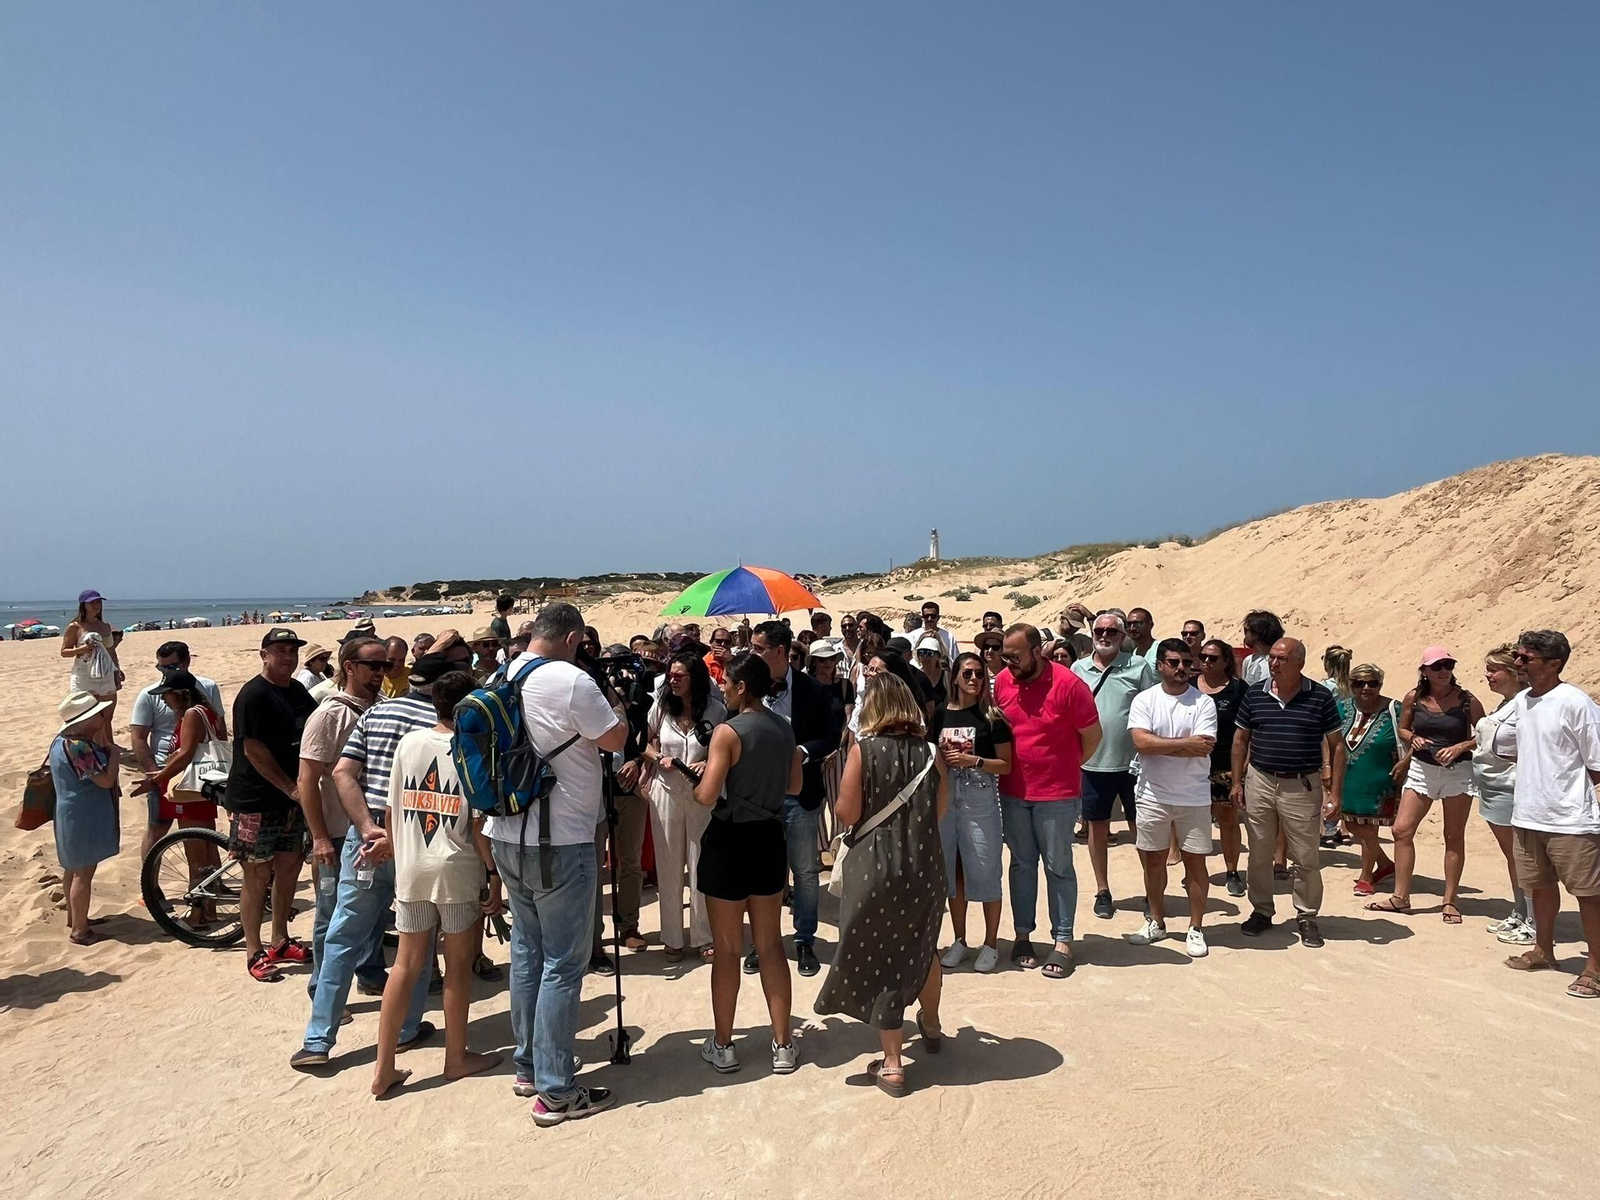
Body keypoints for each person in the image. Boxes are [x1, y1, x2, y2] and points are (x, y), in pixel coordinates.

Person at [485, 604, 626, 1123]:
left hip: (505, 832)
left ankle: (527, 1066)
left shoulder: (503, 671)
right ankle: (556, 1089)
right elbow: (613, 740)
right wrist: (618, 707)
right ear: (571, 637)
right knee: (564, 964)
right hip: (561, 837)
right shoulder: (571, 680)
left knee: (528, 951)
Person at [292, 653, 453, 1067]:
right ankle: (405, 1027)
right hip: (417, 839)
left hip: (367, 839)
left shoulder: (377, 713)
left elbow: (342, 773)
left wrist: (365, 826)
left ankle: (317, 1039)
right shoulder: (442, 724)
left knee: (343, 937)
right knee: (416, 940)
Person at [371, 671, 504, 1097]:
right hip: (457, 868)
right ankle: (456, 1057)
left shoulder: (409, 743)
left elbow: (392, 809)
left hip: (412, 868)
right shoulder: (470, 749)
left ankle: (383, 1066)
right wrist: (494, 874)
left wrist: (398, 850)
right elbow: (479, 825)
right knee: (458, 966)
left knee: (406, 966)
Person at [816, 674, 948, 1094]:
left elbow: (848, 812)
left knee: (883, 954)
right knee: (922, 944)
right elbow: (940, 812)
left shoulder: (865, 751)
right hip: (925, 865)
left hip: (875, 866)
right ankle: (930, 1021)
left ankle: (892, 1063)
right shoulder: (932, 753)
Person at [692, 653, 803, 1075]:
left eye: (726, 683)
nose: (721, 687)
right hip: (769, 838)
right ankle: (783, 1043)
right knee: (771, 944)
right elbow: (794, 784)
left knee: (728, 950)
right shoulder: (783, 728)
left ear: (742, 687)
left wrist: (701, 776)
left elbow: (706, 796)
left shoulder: (727, 731)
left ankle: (723, 1044)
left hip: (730, 839)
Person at [1491, 630, 1600, 997]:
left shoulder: (1575, 702)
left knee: (1588, 893)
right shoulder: (1523, 701)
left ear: (1554, 664)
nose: (1518, 664)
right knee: (1538, 886)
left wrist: (1561, 788)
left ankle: (1595, 968)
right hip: (1527, 813)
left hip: (1570, 818)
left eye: (1526, 658)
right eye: (1518, 657)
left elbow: (1596, 764)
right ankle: (1544, 950)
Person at [994, 623, 1101, 977]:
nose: (1008, 663)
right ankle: (1023, 936)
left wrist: (1066, 768)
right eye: (1005, 657)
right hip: (1013, 792)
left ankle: (1063, 941)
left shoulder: (1069, 684)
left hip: (1056, 794)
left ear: (1037, 650)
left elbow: (1092, 736)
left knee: (1058, 866)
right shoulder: (1003, 683)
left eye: (1015, 656)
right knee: (1021, 865)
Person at [1231, 638, 1345, 948]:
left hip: (1302, 785)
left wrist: (1335, 792)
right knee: (1259, 851)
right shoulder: (1255, 693)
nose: (1274, 663)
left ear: (1299, 663)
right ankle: (1262, 911)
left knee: (1306, 855)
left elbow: (1337, 747)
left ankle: (1307, 915)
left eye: (1282, 658)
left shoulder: (1319, 697)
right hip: (1261, 781)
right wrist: (1237, 782)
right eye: (1272, 658)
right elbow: (1241, 740)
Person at [746, 620, 844, 978]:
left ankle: (804, 939)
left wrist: (802, 751)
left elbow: (831, 736)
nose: (752, 654)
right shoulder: (749, 690)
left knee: (804, 872)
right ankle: (762, 942)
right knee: (762, 873)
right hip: (758, 798)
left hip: (801, 797)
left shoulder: (812, 691)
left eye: (758, 648)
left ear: (781, 652)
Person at [296, 636, 390, 1001]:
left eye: (385, 666)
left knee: (374, 909)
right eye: (373, 666)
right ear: (349, 667)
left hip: (372, 829)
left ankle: (369, 972)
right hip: (336, 830)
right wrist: (318, 837)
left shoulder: (381, 707)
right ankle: (321, 987)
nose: (381, 673)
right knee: (331, 914)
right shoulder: (330, 714)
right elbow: (307, 778)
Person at [1366, 648, 1485, 924]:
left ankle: (1451, 900)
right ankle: (1400, 896)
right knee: (1401, 829)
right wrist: (1413, 738)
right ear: (1425, 671)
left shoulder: (1467, 700)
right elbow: (1404, 728)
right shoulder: (1415, 697)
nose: (1444, 670)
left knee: (1453, 835)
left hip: (1457, 771)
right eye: (1437, 666)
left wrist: (1461, 746)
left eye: (1448, 665)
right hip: (1422, 769)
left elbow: (1484, 733)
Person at [226, 628, 318, 981]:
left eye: (292, 651)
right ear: (264, 655)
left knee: (289, 867)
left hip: (293, 799)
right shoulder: (253, 696)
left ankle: (280, 938)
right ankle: (253, 949)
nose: (287, 657)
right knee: (257, 873)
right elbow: (254, 750)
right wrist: (291, 787)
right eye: (280, 651)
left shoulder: (296, 690)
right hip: (256, 799)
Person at [1126, 639, 1218, 957]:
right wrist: (1183, 745)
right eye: (1174, 662)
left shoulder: (1203, 703)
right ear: (1160, 665)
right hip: (1152, 793)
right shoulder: (1144, 700)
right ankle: (1157, 921)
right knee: (1153, 861)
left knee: (1195, 863)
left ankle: (1195, 927)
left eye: (1186, 663)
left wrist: (1159, 743)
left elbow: (1203, 745)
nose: (1181, 669)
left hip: (1194, 795)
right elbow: (1140, 743)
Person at [1070, 612, 1157, 920]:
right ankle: (1102, 890)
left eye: (1112, 631)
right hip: (1092, 765)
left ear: (1123, 637)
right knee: (1097, 829)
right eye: (1099, 630)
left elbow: (1151, 708)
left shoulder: (1139, 667)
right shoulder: (1078, 669)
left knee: (1142, 829)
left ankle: (1152, 889)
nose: (1104, 635)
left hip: (1133, 765)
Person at [642, 651, 727, 962]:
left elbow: (726, 749)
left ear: (696, 679)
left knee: (702, 865)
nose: (673, 680)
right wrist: (657, 758)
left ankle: (704, 935)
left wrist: (709, 763)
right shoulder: (661, 708)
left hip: (701, 795)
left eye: (680, 676)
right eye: (670, 675)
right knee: (668, 866)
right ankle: (673, 938)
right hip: (665, 791)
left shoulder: (716, 711)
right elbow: (646, 743)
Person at [932, 652, 1011, 973]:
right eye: (967, 674)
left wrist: (973, 761)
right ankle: (960, 939)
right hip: (947, 796)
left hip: (980, 798)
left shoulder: (992, 718)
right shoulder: (939, 715)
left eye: (979, 674)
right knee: (953, 871)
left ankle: (991, 943)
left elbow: (1006, 765)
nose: (974, 680)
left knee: (986, 867)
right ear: (954, 677)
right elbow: (931, 754)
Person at [132, 669, 227, 924]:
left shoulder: (191, 715)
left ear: (180, 695)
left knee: (196, 854)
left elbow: (185, 755)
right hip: (203, 789)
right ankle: (209, 909)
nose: (164, 700)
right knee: (205, 849)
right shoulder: (206, 712)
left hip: (191, 792)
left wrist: (157, 778)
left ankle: (199, 914)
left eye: (167, 695)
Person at [130, 641, 226, 860]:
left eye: (170, 667)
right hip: (166, 771)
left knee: (200, 836)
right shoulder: (149, 695)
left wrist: (157, 778)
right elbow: (138, 737)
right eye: (161, 667)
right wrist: (154, 772)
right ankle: (151, 889)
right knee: (159, 829)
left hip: (193, 774)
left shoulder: (200, 698)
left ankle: (207, 884)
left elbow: (210, 736)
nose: (164, 672)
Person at [49, 691, 121, 944]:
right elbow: (105, 780)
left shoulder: (60, 741)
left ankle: (75, 917)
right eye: (98, 714)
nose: (103, 717)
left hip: (69, 812)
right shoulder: (78, 746)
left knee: (72, 868)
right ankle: (80, 930)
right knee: (83, 873)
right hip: (83, 815)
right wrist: (114, 756)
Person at [1475, 645, 1533, 943]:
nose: (1488, 675)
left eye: (1493, 670)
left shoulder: (1525, 703)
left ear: (1513, 673)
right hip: (1493, 788)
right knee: (1513, 857)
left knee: (1523, 858)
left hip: (1512, 789)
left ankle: (1533, 920)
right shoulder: (1507, 703)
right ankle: (1521, 911)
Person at [1339, 663, 1406, 896]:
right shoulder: (1342, 707)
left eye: (1372, 683)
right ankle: (1385, 864)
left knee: (1368, 827)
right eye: (1359, 683)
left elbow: (1414, 736)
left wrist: (1405, 763)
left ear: (1380, 684)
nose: (1366, 688)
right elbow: (1329, 739)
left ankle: (1366, 876)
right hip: (1347, 776)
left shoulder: (1394, 709)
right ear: (1351, 685)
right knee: (1350, 823)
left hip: (1380, 776)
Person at [1195, 638, 1249, 897]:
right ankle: (1196, 871)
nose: (1206, 661)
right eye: (1203, 656)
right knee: (1194, 821)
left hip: (1226, 766)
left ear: (1226, 661)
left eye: (1213, 658)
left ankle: (1232, 871)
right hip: (1191, 766)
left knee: (1228, 820)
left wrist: (1243, 766)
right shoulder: (1189, 687)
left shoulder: (1239, 690)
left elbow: (1249, 730)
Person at [61, 589, 123, 713]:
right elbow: (64, 652)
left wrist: (117, 671)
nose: (97, 605)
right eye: (92, 603)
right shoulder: (76, 626)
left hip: (106, 673)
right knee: (86, 716)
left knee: (107, 717)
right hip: (84, 674)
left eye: (98, 602)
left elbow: (111, 652)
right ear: (84, 605)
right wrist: (83, 649)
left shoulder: (105, 626)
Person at [807, 640, 855, 730]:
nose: (828, 663)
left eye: (832, 658)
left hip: (838, 740)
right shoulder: (805, 685)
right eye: (822, 659)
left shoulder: (844, 685)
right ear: (814, 663)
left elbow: (849, 717)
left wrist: (841, 741)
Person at [1240, 610, 1283, 686]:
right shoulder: (1249, 660)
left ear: (1256, 634)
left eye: (1246, 630)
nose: (1245, 634)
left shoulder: (1278, 662)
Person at [913, 636, 949, 708]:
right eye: (921, 653)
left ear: (938, 656)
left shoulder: (947, 676)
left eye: (930, 653)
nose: (925, 658)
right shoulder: (916, 676)